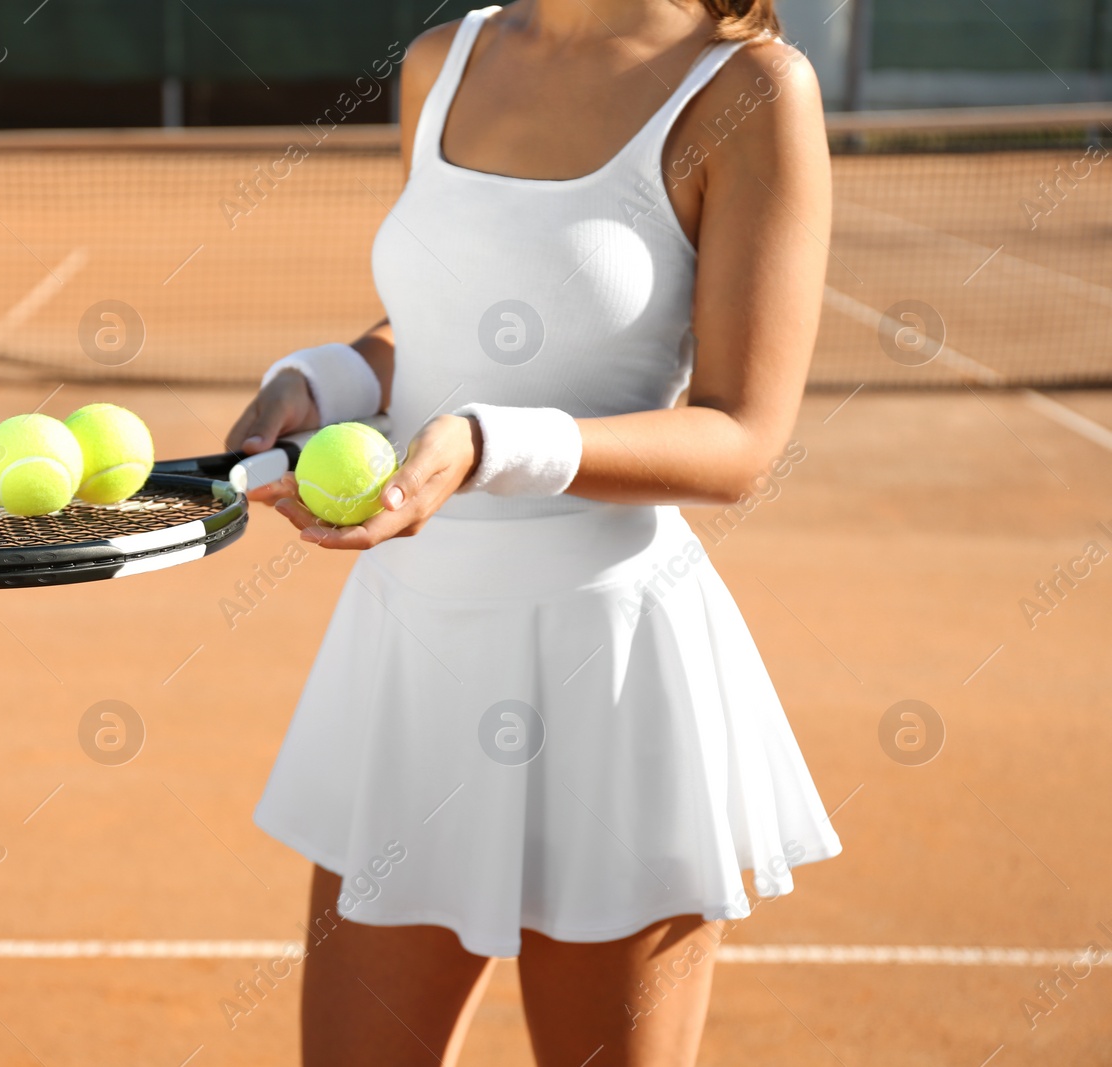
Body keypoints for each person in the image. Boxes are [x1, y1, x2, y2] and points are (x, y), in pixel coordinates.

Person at [225, 1, 842, 1063]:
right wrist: (323, 377)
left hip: (606, 671)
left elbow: (741, 437)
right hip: (412, 654)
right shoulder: (444, 57)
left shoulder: (750, 91)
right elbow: (429, 324)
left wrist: (481, 442)